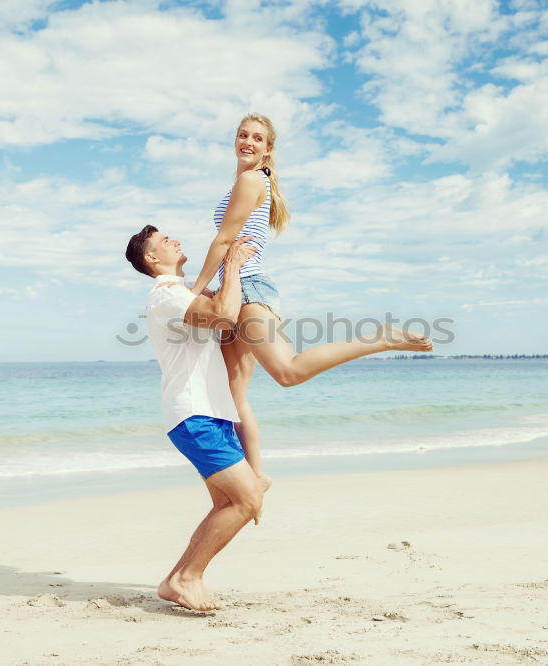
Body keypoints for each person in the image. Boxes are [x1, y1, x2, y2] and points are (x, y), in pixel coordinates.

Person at [188, 112, 433, 488]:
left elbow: (223, 242)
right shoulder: (248, 181)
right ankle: (255, 476)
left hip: (249, 290)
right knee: (232, 393)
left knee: (288, 372)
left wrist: (194, 290)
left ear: (269, 149)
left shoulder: (251, 180)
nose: (248, 142)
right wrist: (218, 290)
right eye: (242, 135)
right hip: (235, 291)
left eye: (257, 138)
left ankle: (380, 338)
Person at [125, 224, 262, 612]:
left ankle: (176, 580)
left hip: (210, 414)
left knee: (227, 504)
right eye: (166, 242)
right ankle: (188, 578)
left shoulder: (182, 294)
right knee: (247, 500)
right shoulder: (166, 295)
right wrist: (232, 264)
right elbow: (222, 316)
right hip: (194, 415)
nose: (176, 242)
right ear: (152, 259)